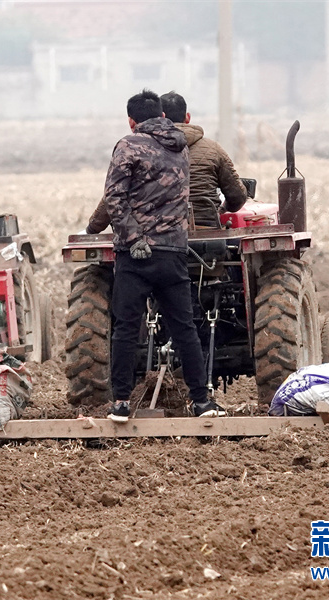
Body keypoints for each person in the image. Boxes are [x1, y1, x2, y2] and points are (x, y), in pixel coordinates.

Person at [103, 89, 224, 422]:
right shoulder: (181, 147)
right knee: (185, 328)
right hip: (173, 251)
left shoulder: (128, 146)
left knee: (126, 328)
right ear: (164, 116)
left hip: (136, 255)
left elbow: (114, 199)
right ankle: (201, 402)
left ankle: (122, 403)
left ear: (132, 121)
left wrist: (132, 236)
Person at [86, 91, 248, 233]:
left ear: (159, 116)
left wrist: (92, 228)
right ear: (187, 117)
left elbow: (114, 197)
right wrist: (221, 210)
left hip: (154, 235)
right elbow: (237, 197)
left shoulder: (140, 149)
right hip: (206, 228)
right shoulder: (213, 149)